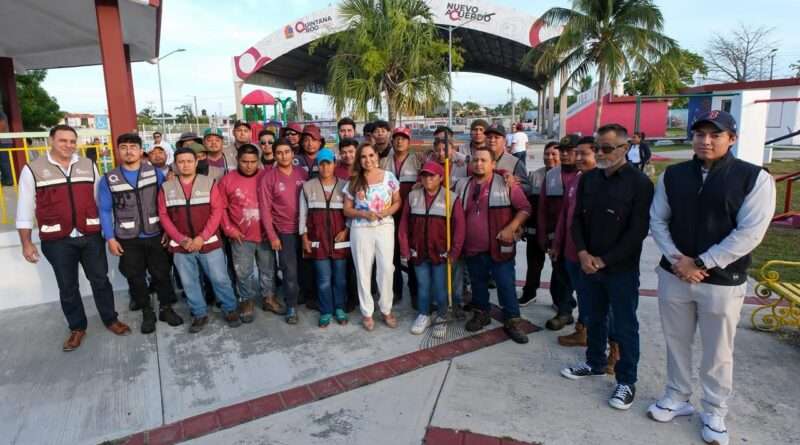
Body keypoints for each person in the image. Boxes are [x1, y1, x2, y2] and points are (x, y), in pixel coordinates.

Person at [647, 110, 775, 445]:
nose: (705, 141)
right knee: (676, 341)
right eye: (700, 134)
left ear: (732, 139)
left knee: (718, 351)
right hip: (675, 275)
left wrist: (703, 261)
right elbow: (658, 220)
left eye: (715, 135)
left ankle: (715, 410)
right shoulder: (674, 175)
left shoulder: (754, 178)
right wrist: (678, 260)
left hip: (722, 281)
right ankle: (677, 396)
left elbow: (750, 232)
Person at [561, 124, 654, 412]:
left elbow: (637, 232)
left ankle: (626, 380)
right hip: (589, 265)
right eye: (597, 148)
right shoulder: (589, 179)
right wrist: (583, 253)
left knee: (624, 325)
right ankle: (594, 362)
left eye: (607, 148)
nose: (600, 154)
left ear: (625, 149)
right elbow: (576, 220)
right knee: (593, 316)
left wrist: (604, 260)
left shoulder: (640, 183)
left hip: (620, 268)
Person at [16, 125, 131, 350]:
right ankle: (77, 328)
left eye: (72, 141)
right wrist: (26, 243)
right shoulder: (33, 169)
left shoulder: (88, 165)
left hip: (90, 235)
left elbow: (100, 200)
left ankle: (111, 319)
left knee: (100, 280)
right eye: (63, 140)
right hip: (57, 240)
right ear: (51, 141)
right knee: (67, 287)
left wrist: (108, 232)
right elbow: (25, 208)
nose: (68, 145)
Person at [98, 133, 183, 334]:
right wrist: (110, 238)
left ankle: (166, 308)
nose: (129, 151)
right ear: (118, 151)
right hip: (127, 238)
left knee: (161, 273)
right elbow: (105, 210)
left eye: (133, 147)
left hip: (156, 234)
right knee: (135, 277)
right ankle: (147, 311)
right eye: (124, 147)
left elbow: (165, 204)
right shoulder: (109, 179)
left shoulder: (155, 173)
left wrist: (168, 230)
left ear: (141, 150)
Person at [158, 146, 241, 333]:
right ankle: (199, 313)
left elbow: (217, 211)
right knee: (189, 283)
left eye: (189, 161)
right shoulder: (166, 187)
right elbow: (163, 216)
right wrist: (181, 239)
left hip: (208, 243)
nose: (185, 165)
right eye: (181, 162)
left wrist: (202, 238)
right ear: (175, 164)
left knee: (220, 279)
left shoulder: (209, 183)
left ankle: (230, 309)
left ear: (196, 162)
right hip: (181, 246)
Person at [457, 146, 532, 344]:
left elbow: (525, 208)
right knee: (478, 283)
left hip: (500, 246)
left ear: (493, 164)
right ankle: (481, 313)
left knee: (505, 284)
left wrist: (511, 228)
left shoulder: (506, 183)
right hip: (472, 248)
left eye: (483, 160)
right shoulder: (462, 185)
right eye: (475, 160)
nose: (479, 164)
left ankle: (512, 320)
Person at [399, 161, 465, 337]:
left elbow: (460, 228)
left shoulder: (451, 198)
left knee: (440, 288)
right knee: (423, 286)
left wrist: (454, 252)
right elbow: (404, 225)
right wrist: (405, 249)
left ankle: (442, 316)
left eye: (432, 175)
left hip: (441, 253)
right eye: (424, 175)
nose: (428, 179)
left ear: (441, 178)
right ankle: (424, 314)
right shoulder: (412, 196)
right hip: (419, 251)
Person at [343, 143, 401, 331]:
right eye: (363, 156)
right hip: (361, 229)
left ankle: (386, 309)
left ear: (377, 156)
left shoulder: (389, 177)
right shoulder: (354, 180)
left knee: (386, 269)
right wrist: (363, 214)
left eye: (371, 155)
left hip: (384, 227)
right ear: (359, 160)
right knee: (363, 270)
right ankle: (367, 312)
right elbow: (347, 209)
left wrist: (387, 212)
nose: (367, 160)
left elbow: (397, 201)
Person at [218, 144, 277, 323]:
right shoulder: (227, 180)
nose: (249, 165)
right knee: (243, 272)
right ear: (237, 160)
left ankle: (269, 298)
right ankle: (246, 301)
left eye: (253, 162)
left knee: (268, 269)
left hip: (265, 234)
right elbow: (220, 208)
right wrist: (229, 229)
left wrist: (273, 230)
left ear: (258, 161)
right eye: (245, 161)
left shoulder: (267, 176)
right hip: (241, 237)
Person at [553, 137, 597, 348]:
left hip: (592, 254)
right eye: (576, 153)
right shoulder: (577, 179)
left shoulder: (603, 181)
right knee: (582, 294)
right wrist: (557, 244)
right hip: (571, 251)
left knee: (596, 299)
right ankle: (583, 330)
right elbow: (565, 215)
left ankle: (607, 342)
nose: (578, 158)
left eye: (583, 154)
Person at [258, 138, 309, 324]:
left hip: (304, 230)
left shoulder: (302, 173)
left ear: (292, 153)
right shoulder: (268, 177)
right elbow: (265, 209)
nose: (283, 156)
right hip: (284, 231)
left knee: (306, 268)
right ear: (274, 155)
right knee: (289, 271)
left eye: (287, 152)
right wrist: (272, 236)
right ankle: (291, 306)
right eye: (279, 153)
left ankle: (305, 297)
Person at [299, 148, 351, 327]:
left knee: (340, 279)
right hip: (318, 240)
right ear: (317, 166)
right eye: (321, 164)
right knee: (323, 279)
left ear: (335, 164)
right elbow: (303, 214)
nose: (325, 168)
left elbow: (350, 212)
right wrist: (304, 237)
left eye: (328, 163)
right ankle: (326, 311)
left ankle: (340, 308)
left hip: (339, 240)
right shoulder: (308, 187)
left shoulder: (345, 186)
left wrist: (346, 231)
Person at [538, 135, 580, 330]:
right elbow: (543, 208)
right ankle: (564, 310)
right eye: (562, 150)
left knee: (580, 279)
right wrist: (543, 235)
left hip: (580, 239)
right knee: (559, 275)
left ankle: (573, 312)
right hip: (556, 237)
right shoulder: (551, 176)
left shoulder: (587, 175)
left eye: (569, 151)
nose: (564, 154)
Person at [380, 127, 423, 304]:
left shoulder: (417, 160)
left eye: (403, 138)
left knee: (412, 254)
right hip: (390, 215)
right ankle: (396, 290)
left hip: (412, 214)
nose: (399, 141)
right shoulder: (383, 162)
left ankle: (415, 291)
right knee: (392, 254)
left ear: (409, 142)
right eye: (396, 138)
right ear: (392, 141)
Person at [519, 141, 560, 306]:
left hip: (557, 232)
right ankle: (529, 293)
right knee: (534, 264)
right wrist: (524, 227)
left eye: (554, 154)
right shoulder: (535, 176)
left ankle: (560, 299)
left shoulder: (566, 176)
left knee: (559, 268)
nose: (549, 157)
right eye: (546, 154)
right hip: (536, 230)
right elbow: (528, 203)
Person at [485, 124, 532, 195]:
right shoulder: (478, 160)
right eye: (489, 137)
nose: (492, 140)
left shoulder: (515, 163)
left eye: (496, 137)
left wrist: (514, 185)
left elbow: (528, 188)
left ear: (504, 141)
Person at [0, 111, 15, 186]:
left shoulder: (0, 113)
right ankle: (6, 179)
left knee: (4, 161)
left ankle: (9, 180)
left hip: (3, 141)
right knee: (3, 161)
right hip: (4, 141)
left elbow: (2, 124)